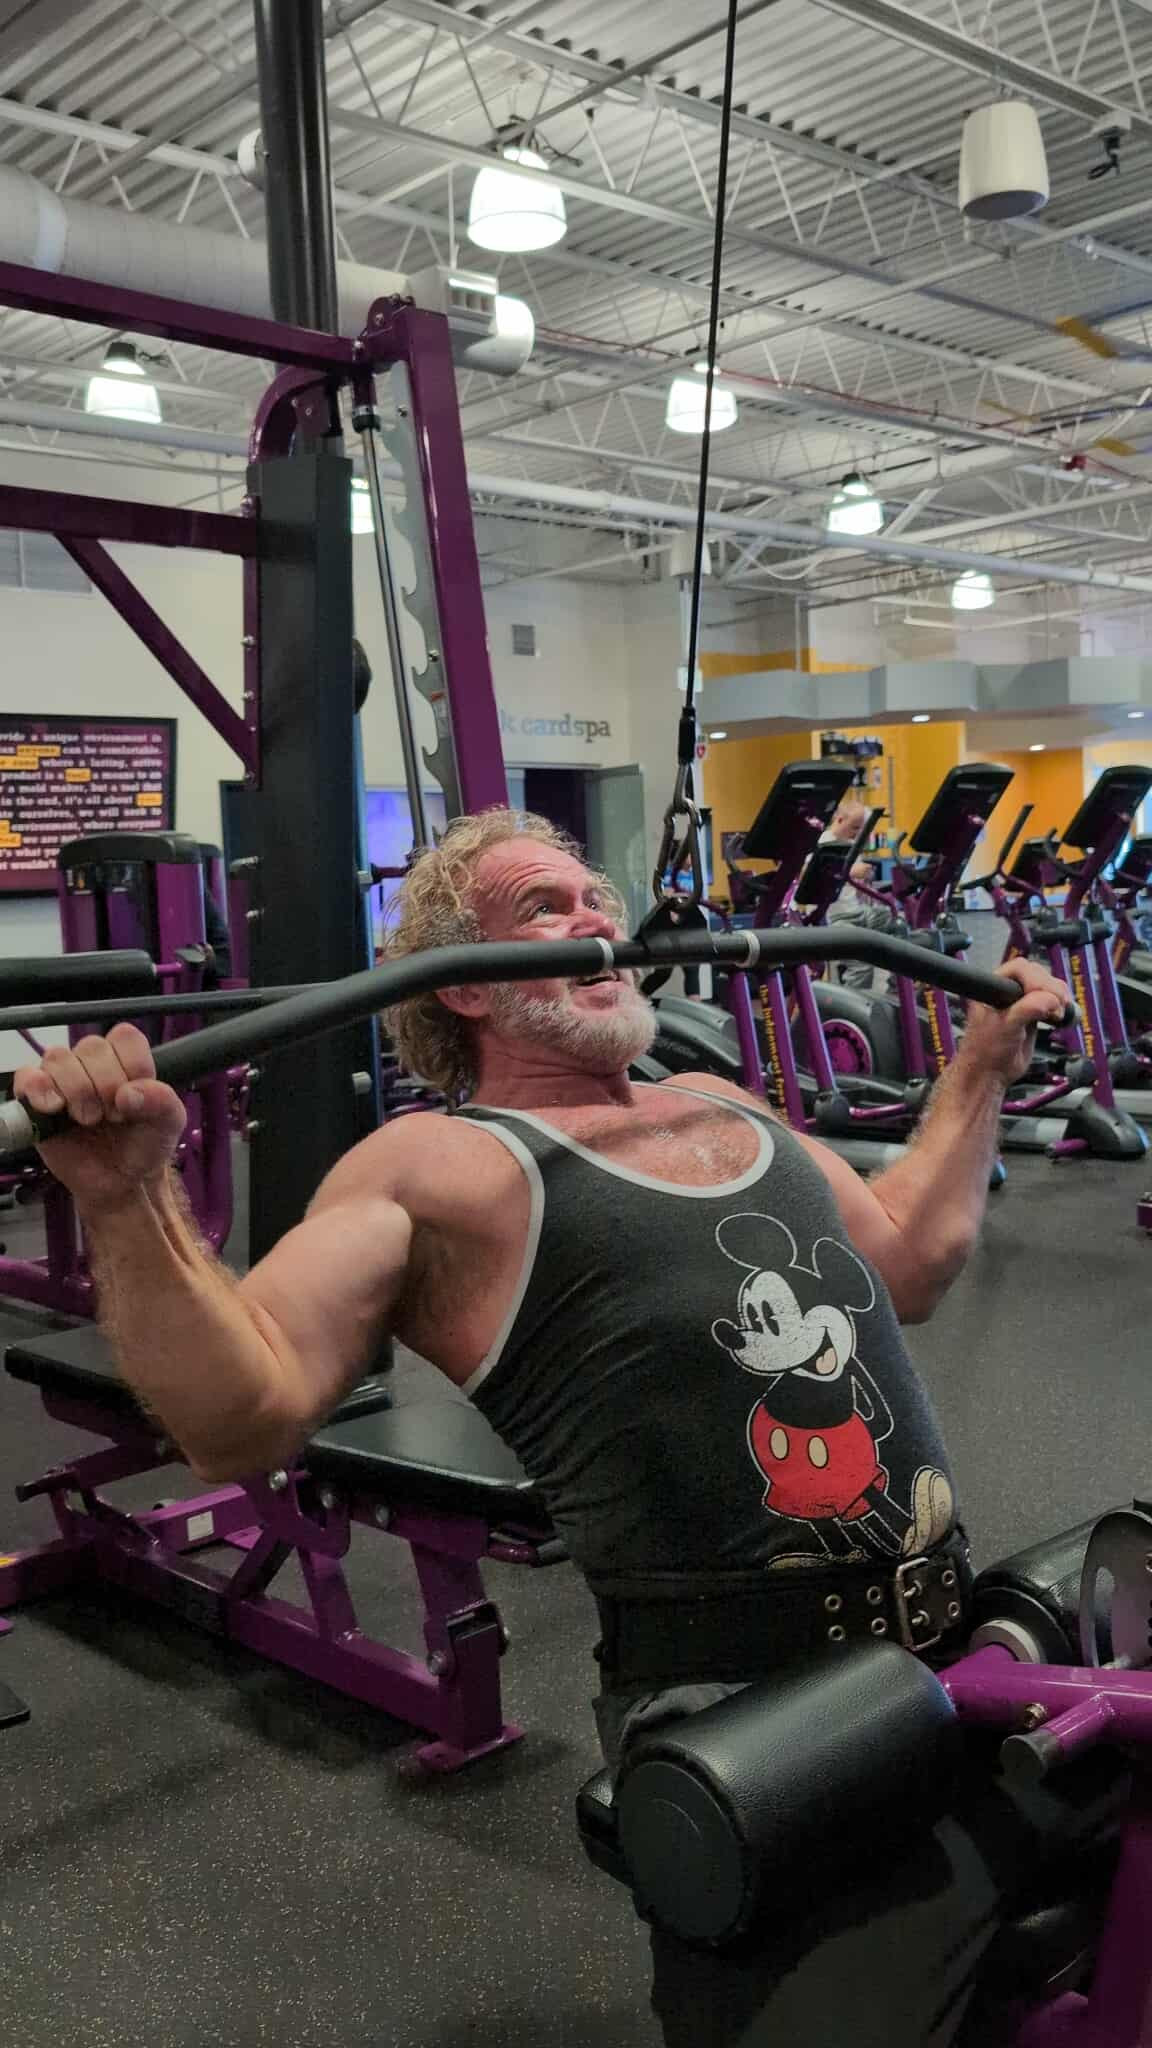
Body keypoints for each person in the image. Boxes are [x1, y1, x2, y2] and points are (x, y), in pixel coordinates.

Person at [15, 808, 1087, 2048]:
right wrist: (128, 1196)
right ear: (464, 984)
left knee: (1075, 1958)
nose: (593, 919)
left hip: (961, 1639)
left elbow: (909, 1257)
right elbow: (237, 1419)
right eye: (544, 906)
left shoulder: (718, 1100)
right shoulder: (436, 1164)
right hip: (748, 1702)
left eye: (596, 899)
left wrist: (981, 1065)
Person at [822, 797, 894, 992]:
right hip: (833, 918)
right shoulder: (823, 843)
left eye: (860, 829)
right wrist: (852, 871)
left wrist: (865, 882)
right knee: (862, 963)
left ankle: (897, 991)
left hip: (857, 912)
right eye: (854, 827)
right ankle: (853, 1003)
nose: (857, 833)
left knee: (895, 922)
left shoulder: (850, 845)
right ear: (840, 820)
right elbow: (815, 874)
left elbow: (856, 885)